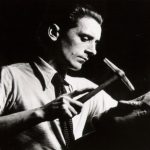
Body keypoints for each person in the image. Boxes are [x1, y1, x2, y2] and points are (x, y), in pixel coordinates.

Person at [0, 1, 150, 150]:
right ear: (54, 33)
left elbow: (126, 115)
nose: (93, 51)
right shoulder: (10, 76)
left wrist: (142, 102)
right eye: (85, 38)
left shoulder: (87, 89)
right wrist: (42, 112)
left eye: (96, 43)